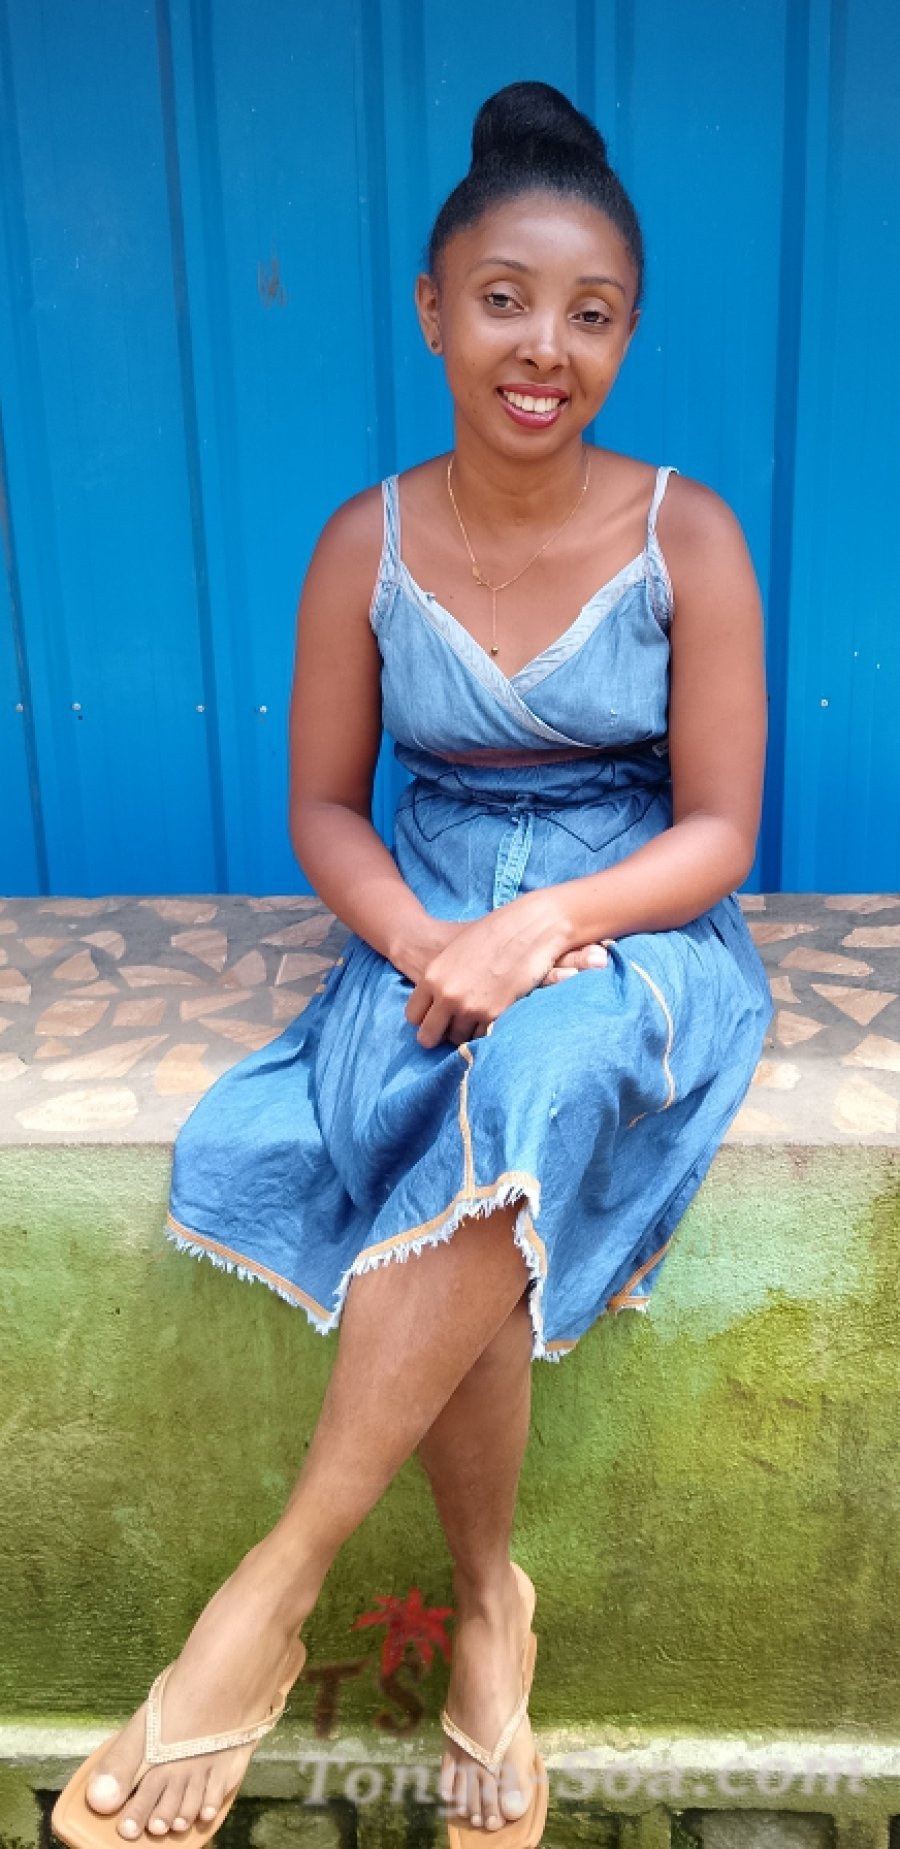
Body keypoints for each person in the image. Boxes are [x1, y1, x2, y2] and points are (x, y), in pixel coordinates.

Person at [51, 78, 773, 1849]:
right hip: (424, 913)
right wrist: (431, 937)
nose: (547, 348)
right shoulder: (360, 545)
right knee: (465, 1116)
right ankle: (488, 1608)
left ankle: (270, 1590)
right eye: (507, 300)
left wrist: (546, 929)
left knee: (540, 1059)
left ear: (626, 337)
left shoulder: (687, 536)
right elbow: (323, 805)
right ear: (437, 309)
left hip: (637, 930)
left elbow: (717, 833)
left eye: (593, 314)